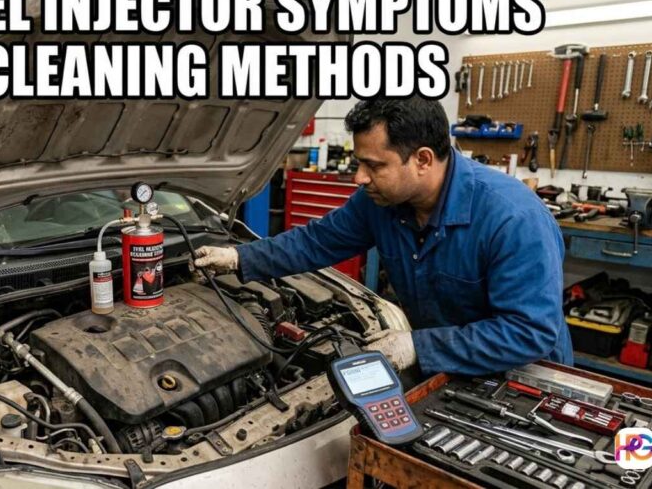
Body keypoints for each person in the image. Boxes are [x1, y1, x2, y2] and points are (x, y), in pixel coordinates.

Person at [195, 97, 572, 376]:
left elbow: (528, 332)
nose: (359, 177)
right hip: (447, 367)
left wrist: (417, 346)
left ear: (423, 160)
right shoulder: (380, 201)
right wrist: (241, 259)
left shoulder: (512, 218)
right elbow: (316, 242)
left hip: (526, 382)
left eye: (374, 165)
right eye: (358, 162)